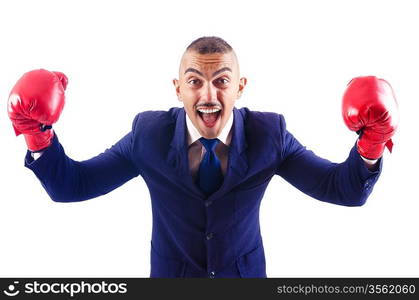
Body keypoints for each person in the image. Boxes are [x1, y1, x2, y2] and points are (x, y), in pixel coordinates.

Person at [7, 36, 399, 278]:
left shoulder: (269, 135)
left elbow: (343, 190)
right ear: (178, 90)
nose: (209, 96)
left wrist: (371, 143)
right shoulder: (148, 135)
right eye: (195, 81)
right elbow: (73, 186)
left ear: (240, 87)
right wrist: (36, 134)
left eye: (221, 81)